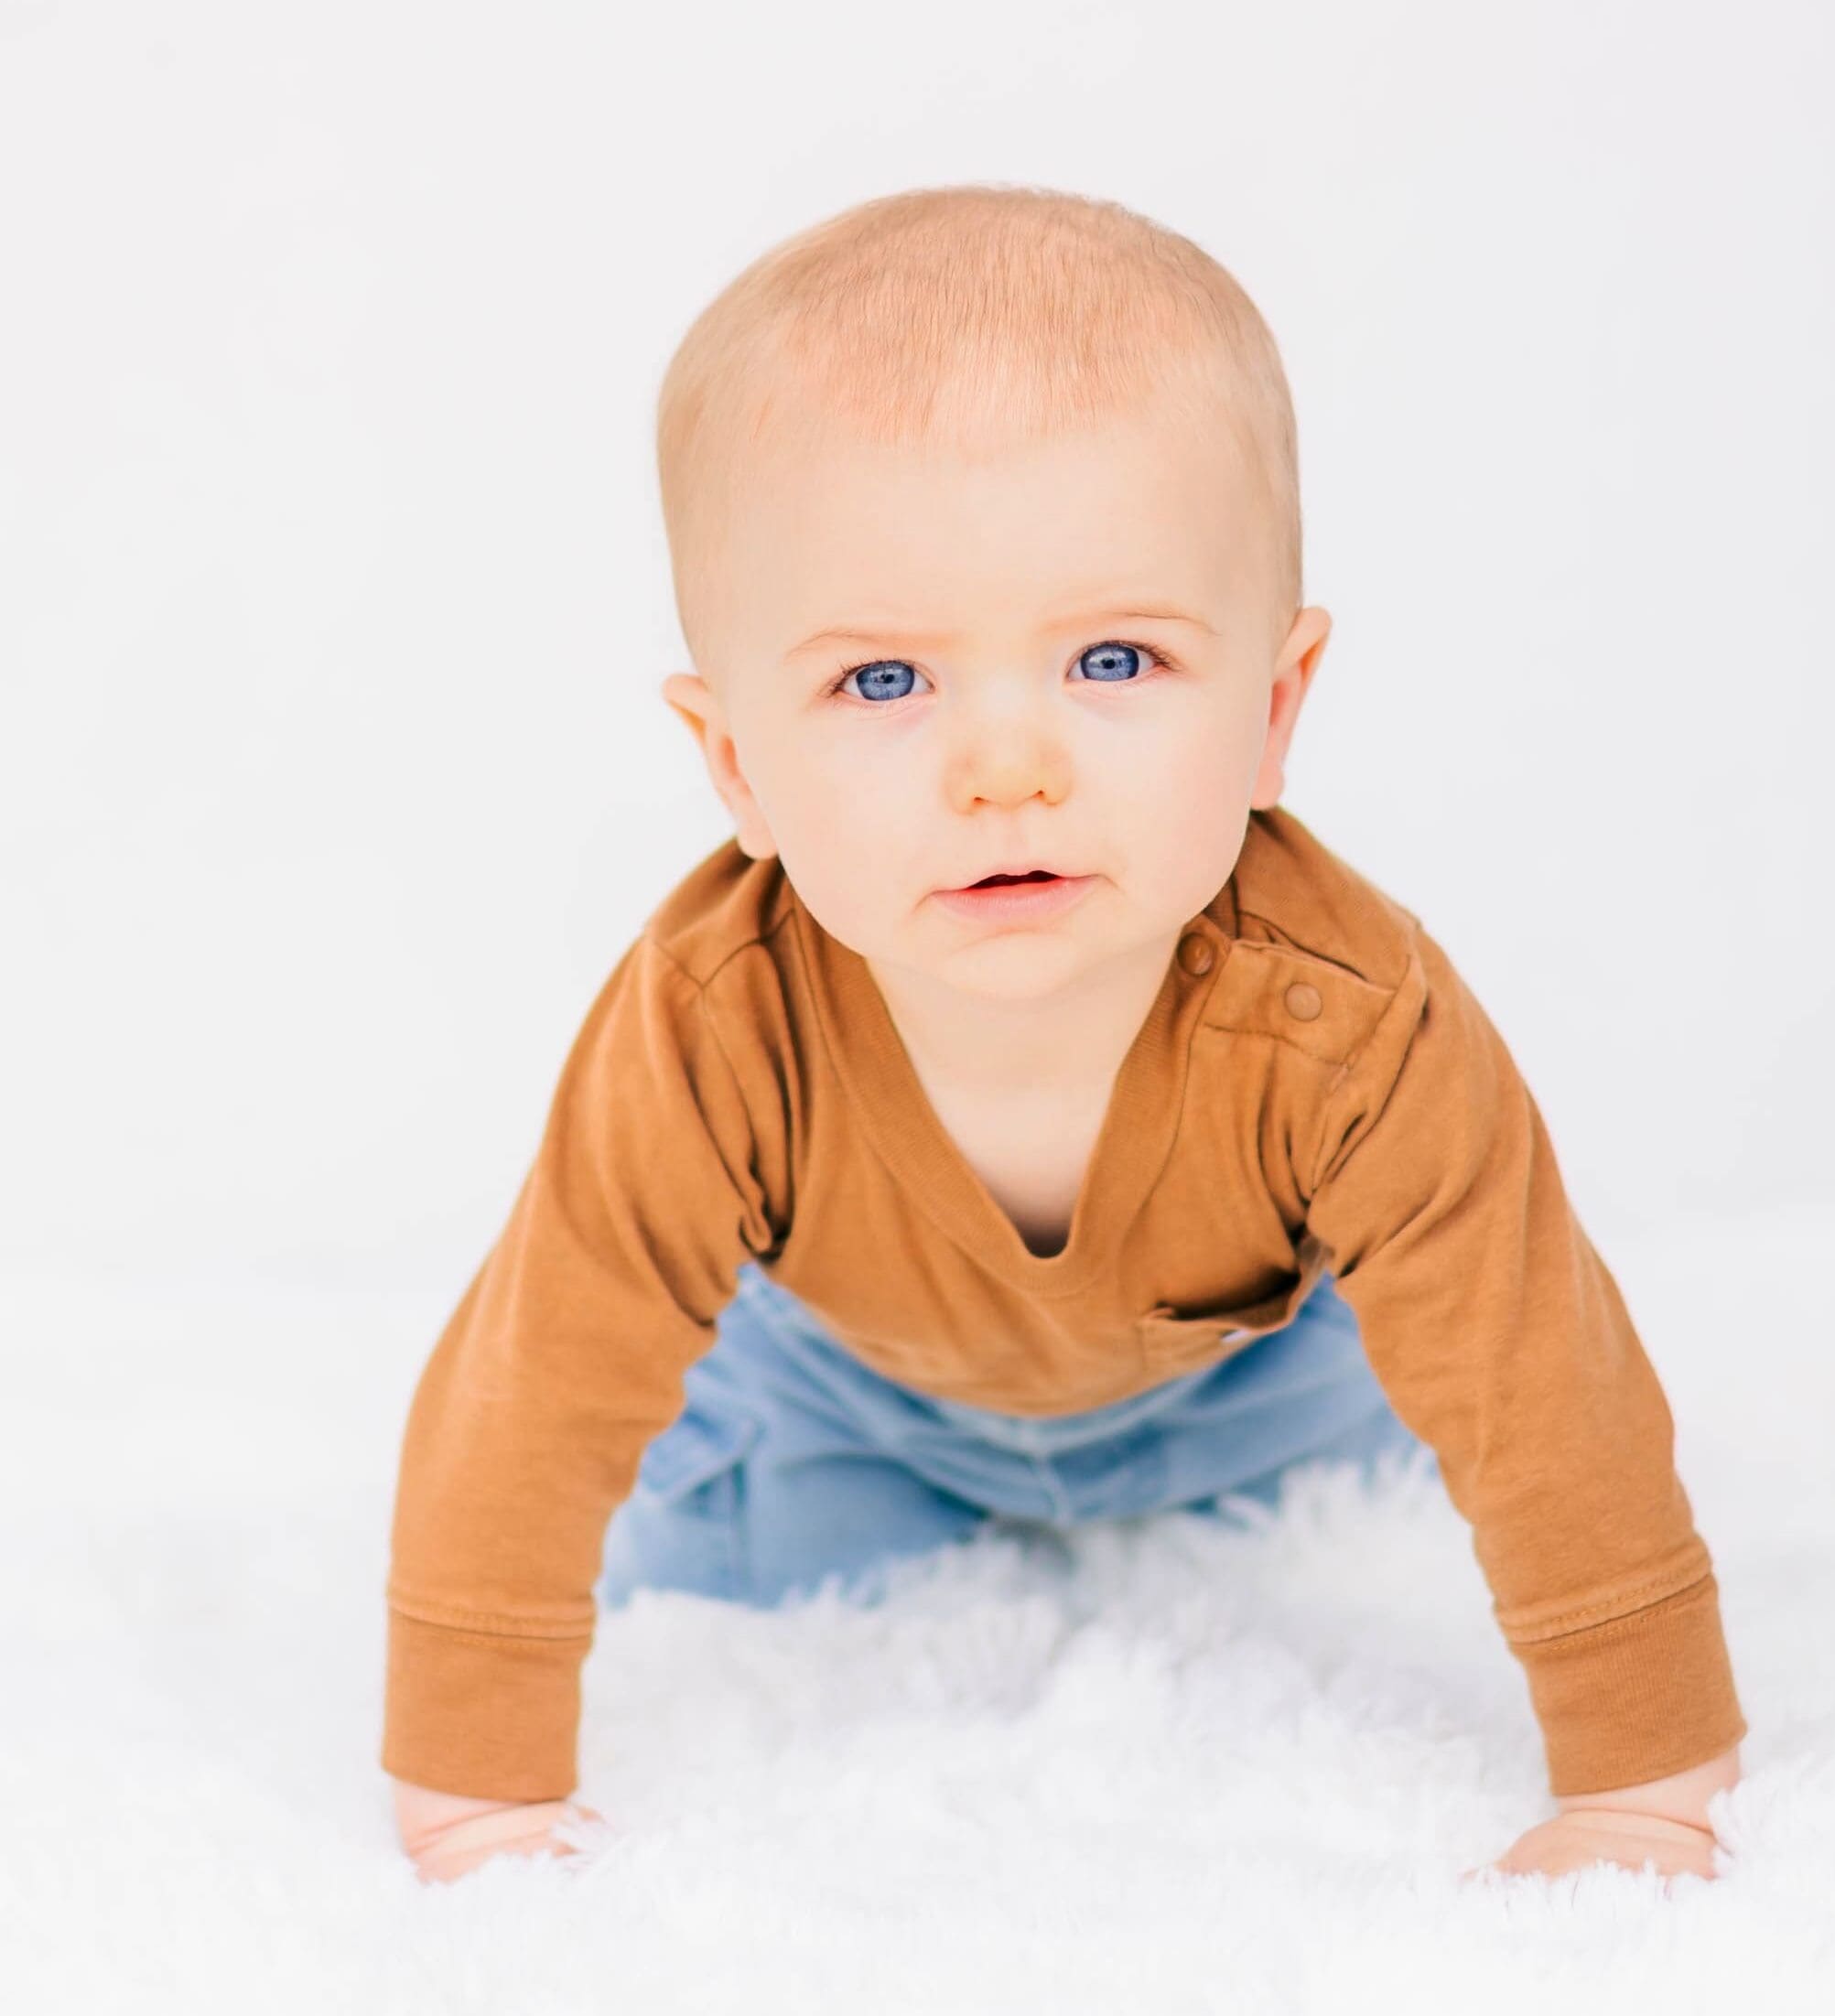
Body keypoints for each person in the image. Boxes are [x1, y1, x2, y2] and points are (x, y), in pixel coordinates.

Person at [382, 182, 1746, 1889]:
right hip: (850, 1399)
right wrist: (477, 1793)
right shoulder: (713, 1025)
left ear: (1273, 709)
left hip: (1261, 1389)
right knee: (718, 1550)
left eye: (1112, 659)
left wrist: (1644, 1787)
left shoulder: (1350, 1026)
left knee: (1408, 1444)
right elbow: (534, 1384)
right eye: (884, 682)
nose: (1008, 769)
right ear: (735, 766)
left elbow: (1541, 1388)